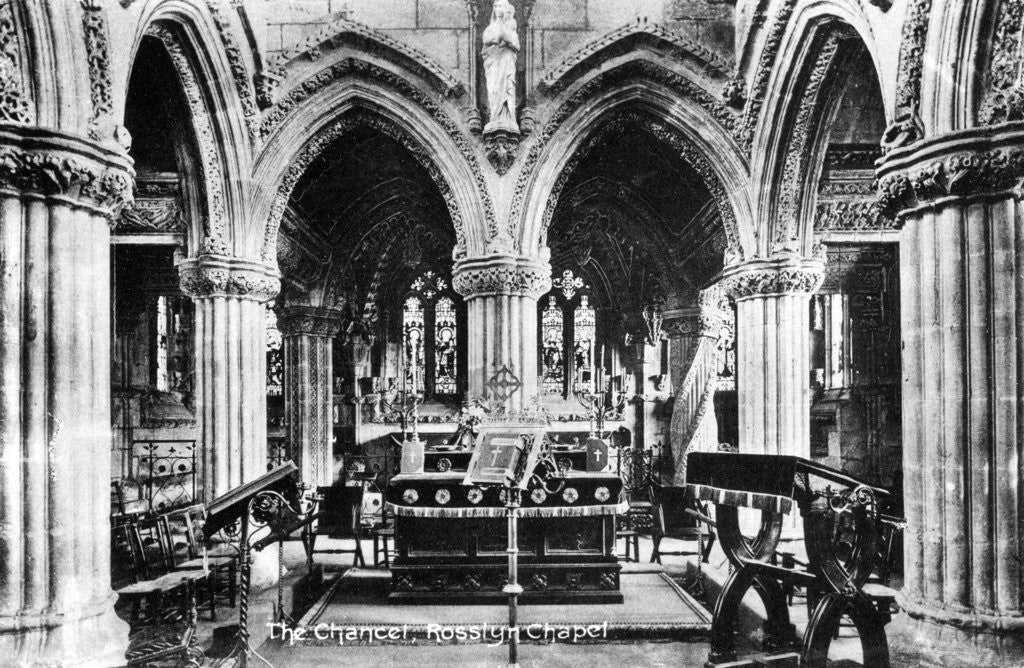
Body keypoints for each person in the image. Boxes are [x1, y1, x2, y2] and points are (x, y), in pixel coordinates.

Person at [481, 0, 519, 133]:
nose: (497, 9)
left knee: (506, 88)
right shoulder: (490, 28)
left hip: (506, 62)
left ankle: (506, 117)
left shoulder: (510, 27)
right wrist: (499, 39)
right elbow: (486, 41)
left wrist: (506, 38)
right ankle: (495, 116)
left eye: (500, 6)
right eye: (495, 6)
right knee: (494, 89)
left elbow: (516, 45)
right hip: (493, 64)